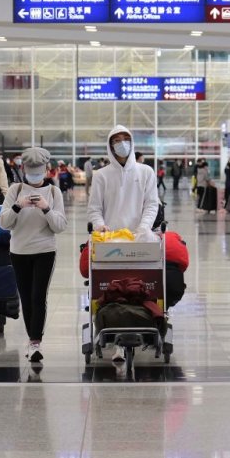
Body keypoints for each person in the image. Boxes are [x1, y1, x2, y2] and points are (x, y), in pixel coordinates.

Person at [87, 125, 158, 363]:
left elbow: (151, 204)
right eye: (116, 140)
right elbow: (94, 209)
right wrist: (100, 226)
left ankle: (140, 325)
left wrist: (144, 227)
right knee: (114, 288)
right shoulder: (101, 176)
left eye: (125, 139)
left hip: (140, 238)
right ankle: (116, 338)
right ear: (109, 145)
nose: (121, 144)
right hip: (112, 241)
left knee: (140, 286)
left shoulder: (146, 172)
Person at [0, 147, 67, 363]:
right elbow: (2, 222)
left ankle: (36, 341)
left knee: (38, 296)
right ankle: (31, 338)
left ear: (47, 169)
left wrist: (46, 209)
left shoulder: (54, 192)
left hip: (45, 251)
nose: (35, 174)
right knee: (26, 297)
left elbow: (60, 225)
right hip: (19, 252)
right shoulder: (15, 190)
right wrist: (18, 206)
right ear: (23, 169)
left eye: (39, 170)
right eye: (30, 170)